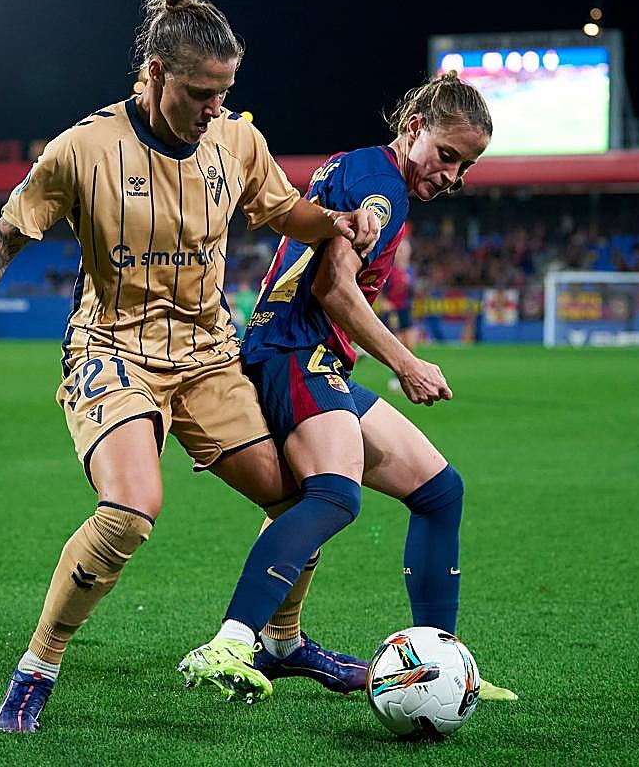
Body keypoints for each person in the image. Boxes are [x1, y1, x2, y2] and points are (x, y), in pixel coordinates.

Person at [0, 0, 382, 733]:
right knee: (130, 509)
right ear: (156, 74)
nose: (214, 108)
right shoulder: (83, 149)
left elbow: (281, 208)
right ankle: (38, 666)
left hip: (209, 357)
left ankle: (281, 642)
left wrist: (334, 223)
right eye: (201, 93)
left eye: (224, 92)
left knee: (302, 502)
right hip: (112, 350)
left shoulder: (237, 140)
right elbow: (5, 237)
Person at [180, 72, 517, 702]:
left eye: (465, 166)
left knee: (440, 491)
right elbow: (334, 288)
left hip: (308, 353)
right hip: (293, 351)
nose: (452, 175)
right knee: (334, 495)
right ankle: (232, 642)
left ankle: (443, 664)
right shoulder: (381, 189)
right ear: (414, 127)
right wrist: (406, 363)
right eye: (447, 155)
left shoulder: (364, 169)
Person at [380, 235, 416, 391]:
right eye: (401, 249)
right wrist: (384, 302)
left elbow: (410, 292)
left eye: (406, 249)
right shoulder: (390, 269)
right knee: (399, 345)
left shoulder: (410, 270)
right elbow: (380, 288)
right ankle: (397, 379)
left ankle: (405, 377)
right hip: (393, 311)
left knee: (410, 346)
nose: (403, 252)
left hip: (406, 310)